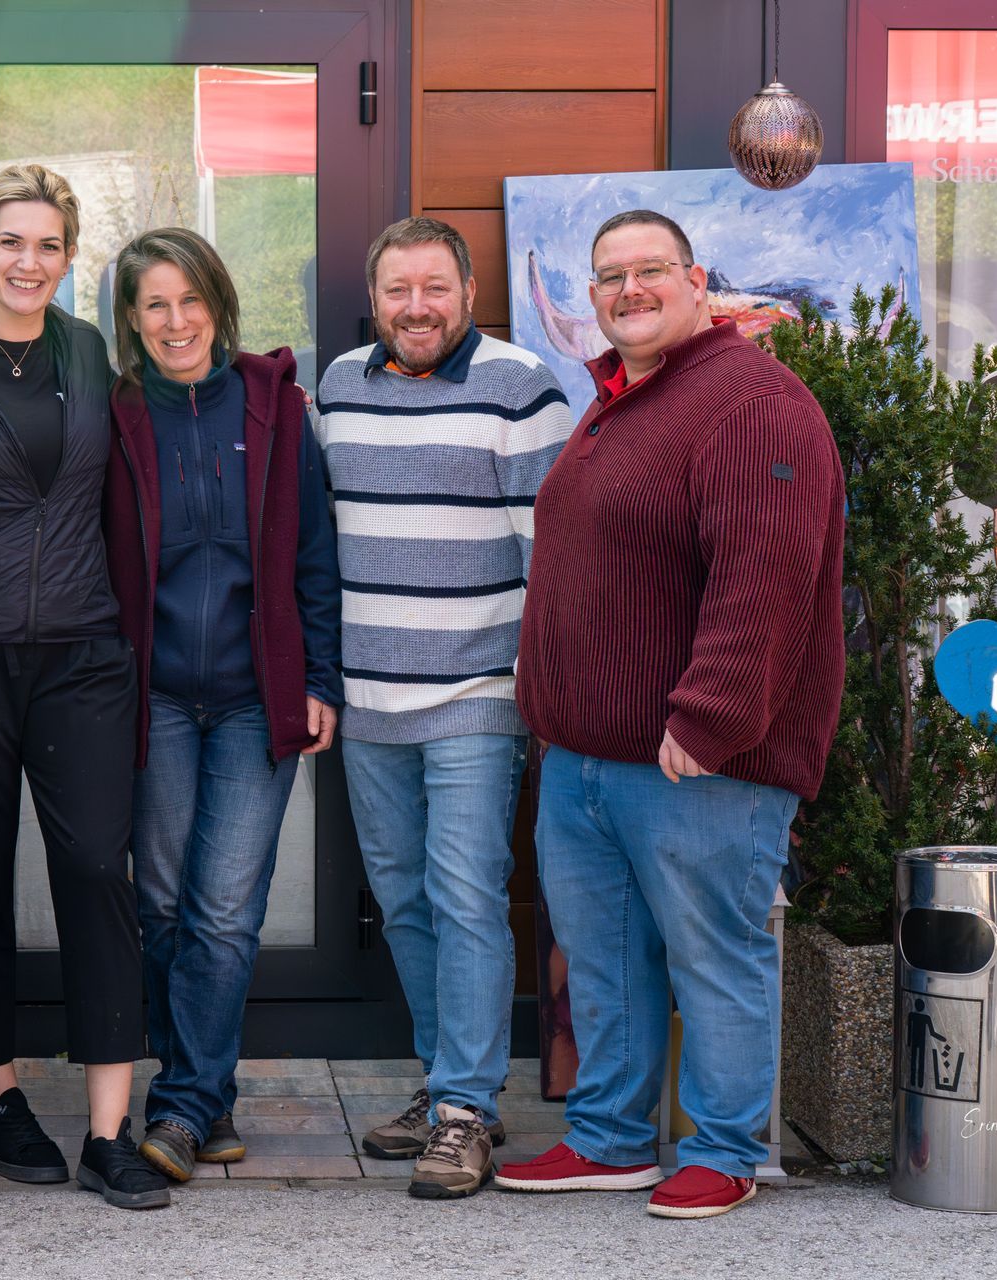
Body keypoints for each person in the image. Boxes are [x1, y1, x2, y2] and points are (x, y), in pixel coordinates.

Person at [499, 209, 845, 1219]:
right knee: (602, 960)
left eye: (651, 271)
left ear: (698, 281)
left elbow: (765, 578)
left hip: (699, 760)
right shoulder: (625, 399)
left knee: (714, 955)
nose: (628, 290)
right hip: (587, 757)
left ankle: (728, 1146)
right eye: (610, 276)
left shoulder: (749, 403)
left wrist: (709, 719)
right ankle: (609, 1136)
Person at [0, 164, 168, 1211]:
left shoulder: (89, 350)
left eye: (51, 245)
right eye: (13, 241)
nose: (30, 262)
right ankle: (1, 1091)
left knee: (99, 867)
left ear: (69, 255)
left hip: (85, 654)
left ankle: (108, 1128)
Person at [315, 216, 576, 1199]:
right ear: (375, 299)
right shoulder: (340, 385)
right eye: (397, 290)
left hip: (477, 690)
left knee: (467, 893)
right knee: (408, 899)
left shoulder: (518, 386)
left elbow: (553, 555)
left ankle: (466, 1107)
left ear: (468, 293)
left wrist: (540, 688)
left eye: (433, 288)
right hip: (368, 694)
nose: (415, 307)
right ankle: (445, 1086)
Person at [102, 228, 343, 1181]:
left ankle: (183, 1107)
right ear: (131, 317)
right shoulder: (118, 415)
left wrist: (320, 678)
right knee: (160, 903)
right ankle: (207, 1096)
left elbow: (315, 554)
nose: (176, 321)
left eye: (190, 299)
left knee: (226, 909)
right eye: (154, 304)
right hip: (153, 694)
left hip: (254, 696)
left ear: (220, 301)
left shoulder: (274, 405)